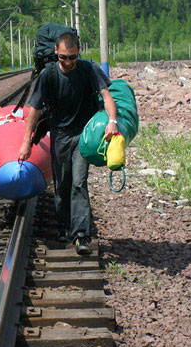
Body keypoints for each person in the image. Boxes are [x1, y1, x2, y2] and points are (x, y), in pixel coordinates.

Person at [18, 33, 118, 255]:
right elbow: (34, 108)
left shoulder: (88, 69)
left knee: (79, 183)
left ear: (78, 53)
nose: (68, 62)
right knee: (62, 183)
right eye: (63, 57)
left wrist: (112, 121)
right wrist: (26, 142)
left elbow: (107, 96)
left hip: (83, 135)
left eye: (72, 57)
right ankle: (63, 225)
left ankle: (81, 235)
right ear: (56, 52)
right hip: (60, 135)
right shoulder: (49, 74)